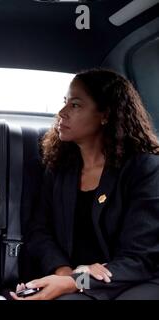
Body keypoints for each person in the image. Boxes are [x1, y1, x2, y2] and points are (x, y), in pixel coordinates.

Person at [11, 68, 159, 300]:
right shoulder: (59, 167)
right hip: (76, 281)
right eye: (64, 103)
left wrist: (74, 282)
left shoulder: (145, 169)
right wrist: (64, 273)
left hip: (130, 281)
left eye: (75, 105)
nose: (62, 112)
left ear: (106, 114)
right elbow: (39, 231)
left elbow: (140, 258)